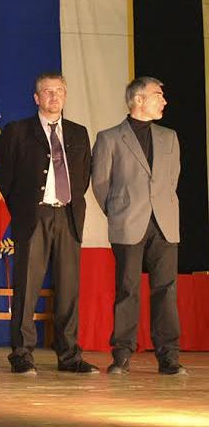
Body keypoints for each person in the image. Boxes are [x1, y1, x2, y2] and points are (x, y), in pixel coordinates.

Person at [0, 72, 97, 374]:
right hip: (33, 216)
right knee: (27, 287)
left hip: (68, 215)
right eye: (47, 92)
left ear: (65, 95)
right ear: (36, 98)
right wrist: (24, 207)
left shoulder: (78, 133)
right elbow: (5, 177)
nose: (54, 97)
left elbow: (84, 175)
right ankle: (22, 354)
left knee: (68, 288)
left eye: (59, 91)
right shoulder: (17, 131)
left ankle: (69, 356)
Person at [91, 76, 186, 375]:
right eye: (159, 94)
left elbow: (172, 178)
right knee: (127, 289)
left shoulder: (169, 136)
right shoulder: (109, 138)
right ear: (139, 99)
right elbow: (100, 183)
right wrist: (118, 211)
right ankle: (122, 353)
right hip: (127, 222)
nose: (164, 100)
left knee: (166, 289)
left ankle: (168, 356)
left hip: (165, 223)